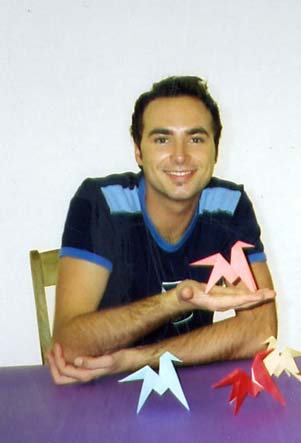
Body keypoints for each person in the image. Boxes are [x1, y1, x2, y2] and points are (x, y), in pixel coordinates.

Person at [47, 76, 277, 384]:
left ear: (215, 151)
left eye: (196, 139)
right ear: (138, 151)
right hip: (104, 389)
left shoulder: (228, 204)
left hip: (187, 388)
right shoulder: (101, 202)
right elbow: (69, 346)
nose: (180, 155)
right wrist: (177, 300)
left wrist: (138, 359)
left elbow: (261, 332)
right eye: (162, 139)